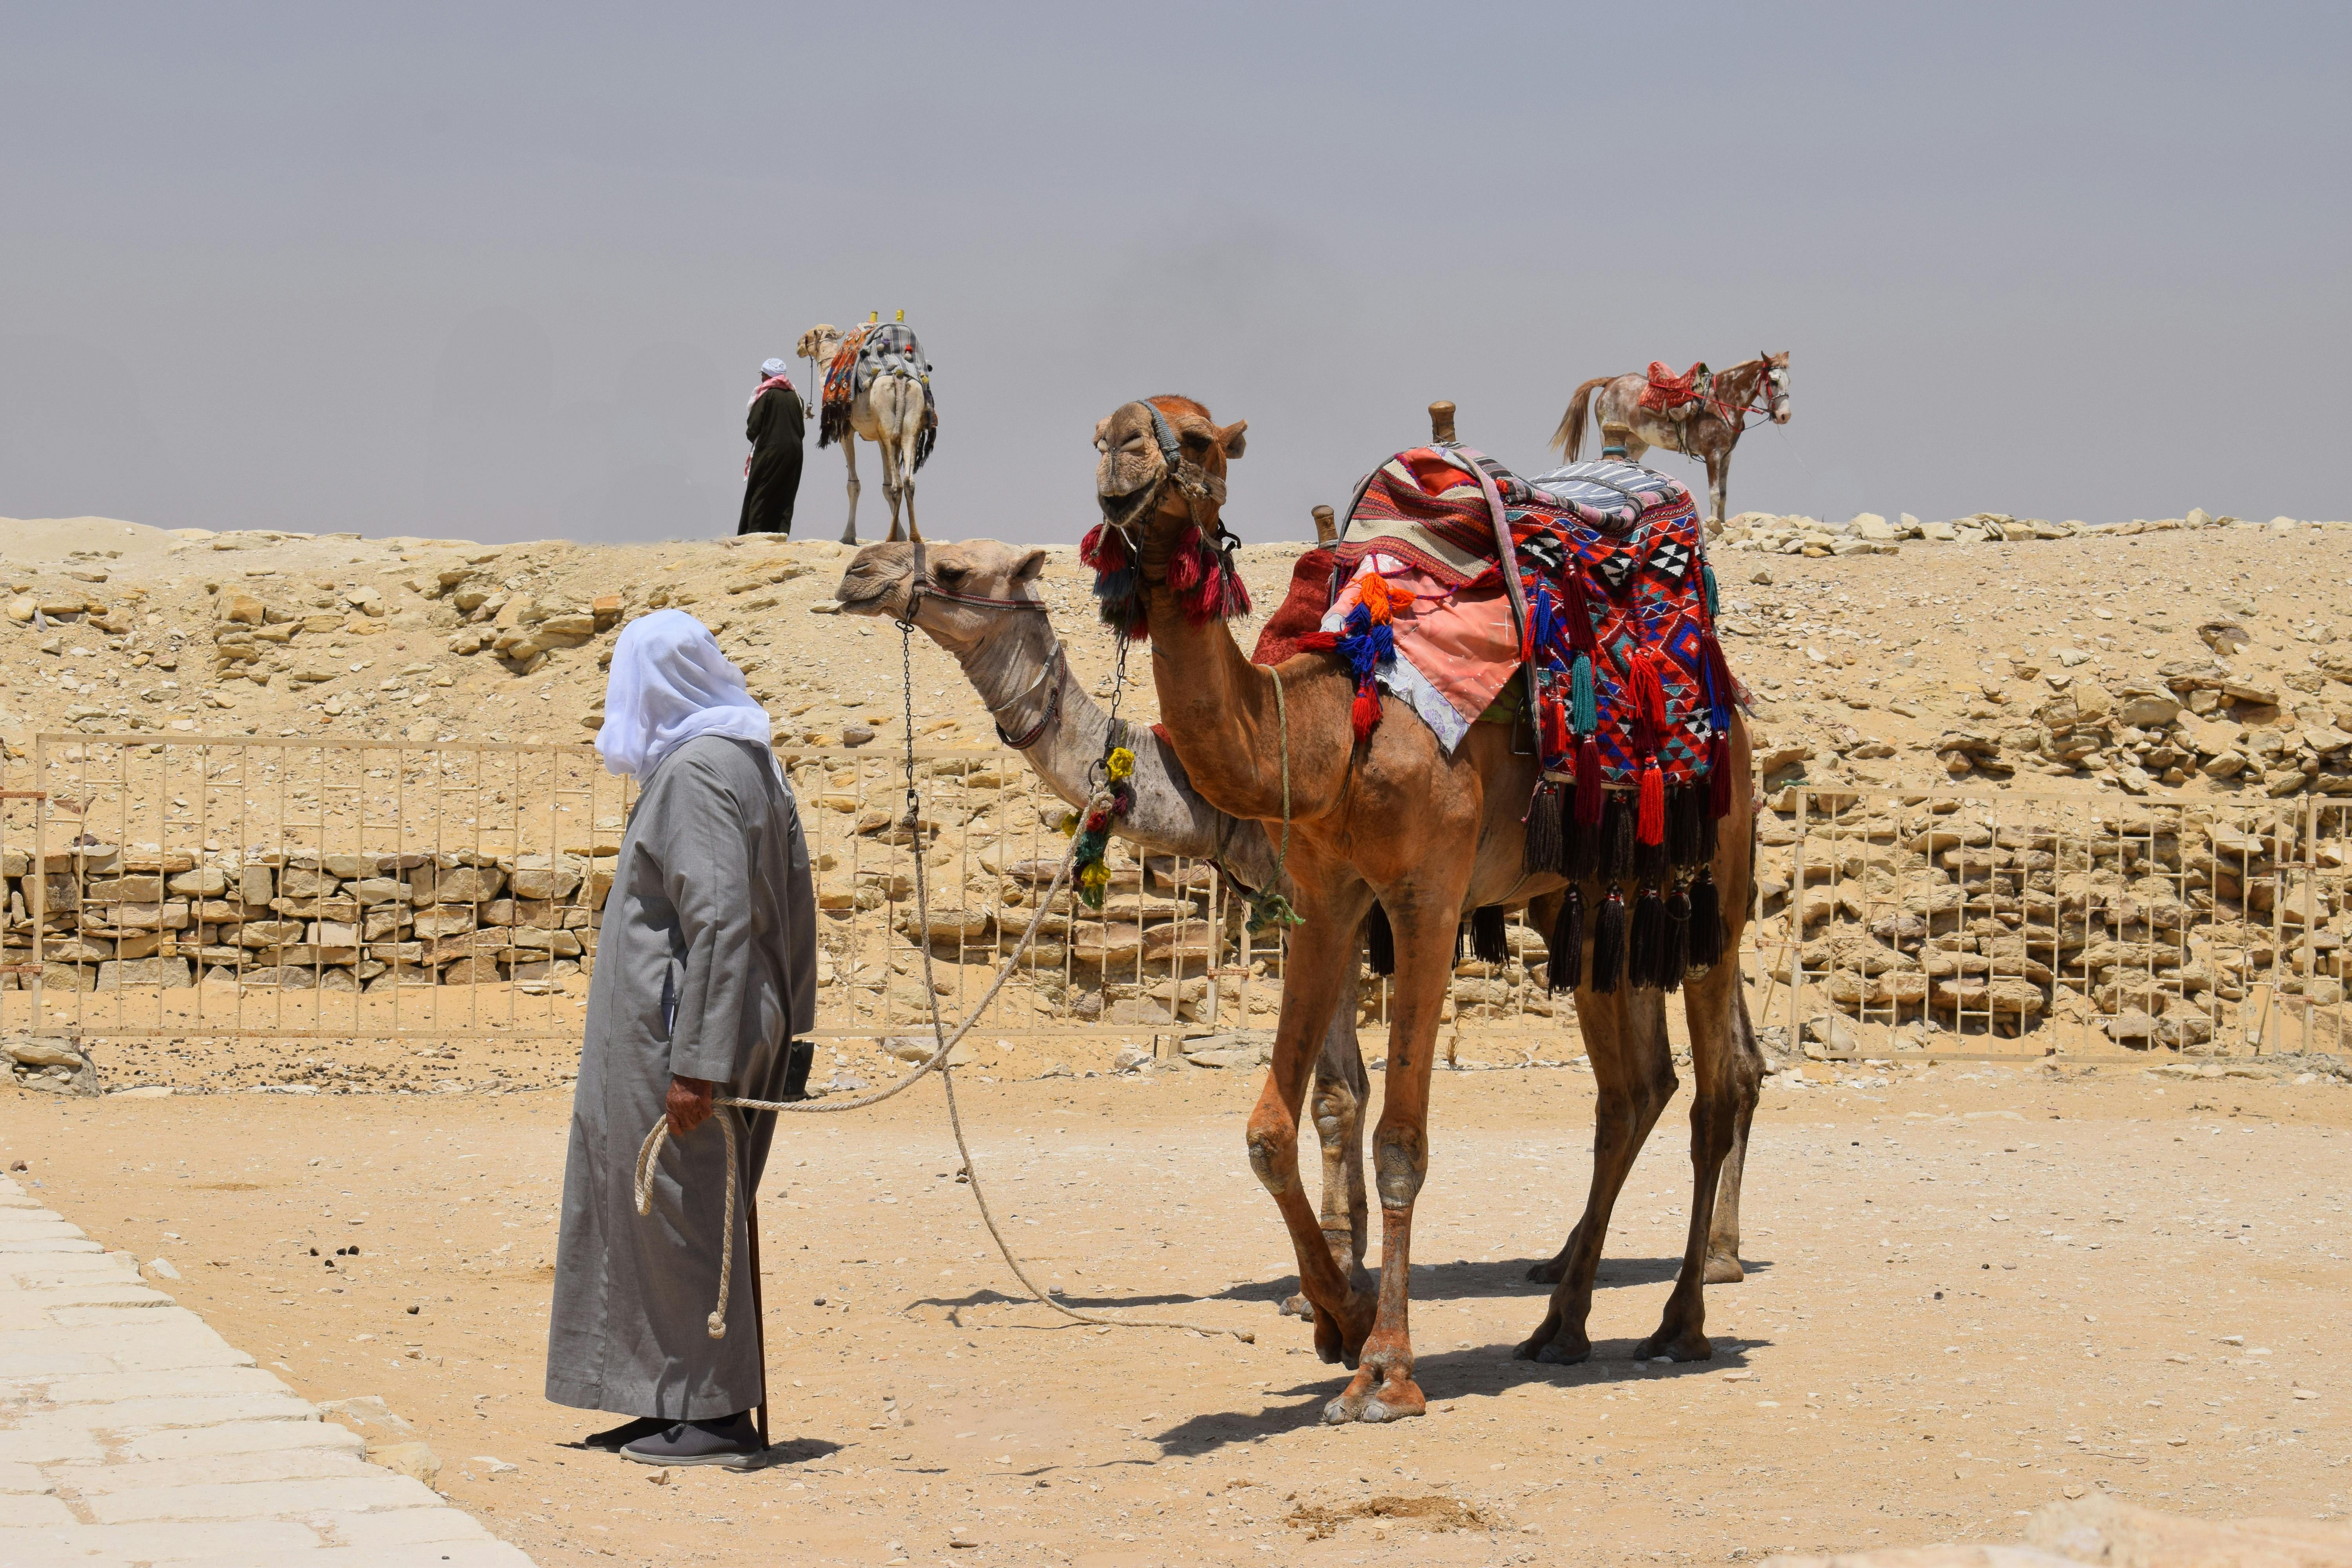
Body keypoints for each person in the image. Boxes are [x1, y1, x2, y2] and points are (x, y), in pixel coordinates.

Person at [545, 610, 817, 1467]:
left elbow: (723, 921)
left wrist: (699, 1062)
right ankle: (660, 1394)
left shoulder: (701, 771)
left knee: (684, 1207)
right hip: (699, 1023)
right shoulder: (741, 761)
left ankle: (713, 1408)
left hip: (684, 1035)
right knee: (645, 1206)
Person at [736, 358, 804, 536]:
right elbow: (801, 429)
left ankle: (754, 534)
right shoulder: (796, 396)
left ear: (767, 375)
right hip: (795, 452)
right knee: (786, 492)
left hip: (771, 450)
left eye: (763, 374)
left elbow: (753, 427)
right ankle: (780, 534)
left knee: (761, 490)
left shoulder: (767, 395)